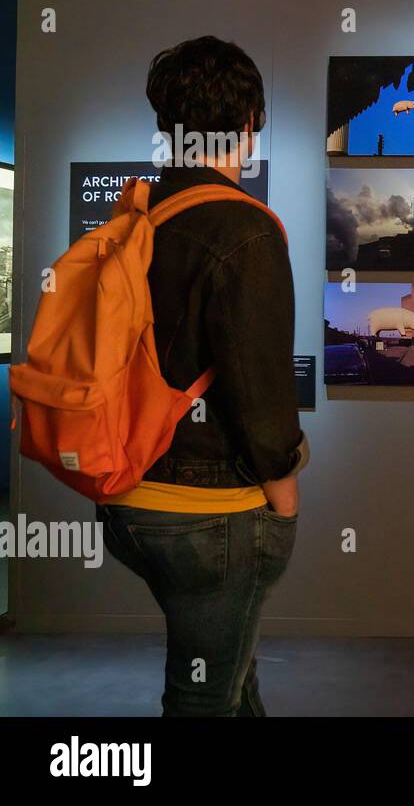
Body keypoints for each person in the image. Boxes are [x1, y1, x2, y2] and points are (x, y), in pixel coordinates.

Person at [95, 36, 309, 717]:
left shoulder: (137, 219)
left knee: (230, 678)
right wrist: (285, 499)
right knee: (203, 699)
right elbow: (262, 394)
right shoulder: (246, 230)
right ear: (249, 121)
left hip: (127, 496)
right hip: (210, 516)